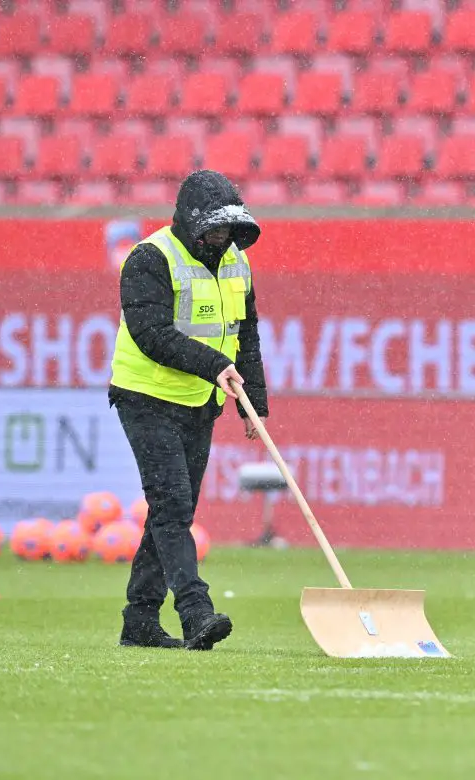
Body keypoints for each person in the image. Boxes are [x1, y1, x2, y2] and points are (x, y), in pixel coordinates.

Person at [108, 170, 269, 651]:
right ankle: (195, 611)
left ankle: (139, 620)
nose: (221, 239)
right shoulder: (149, 259)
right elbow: (151, 333)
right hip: (146, 398)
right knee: (174, 506)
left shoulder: (237, 264)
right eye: (214, 229)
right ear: (190, 222)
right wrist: (214, 364)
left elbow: (248, 334)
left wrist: (253, 402)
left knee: (169, 510)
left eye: (229, 230)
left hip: (202, 402)